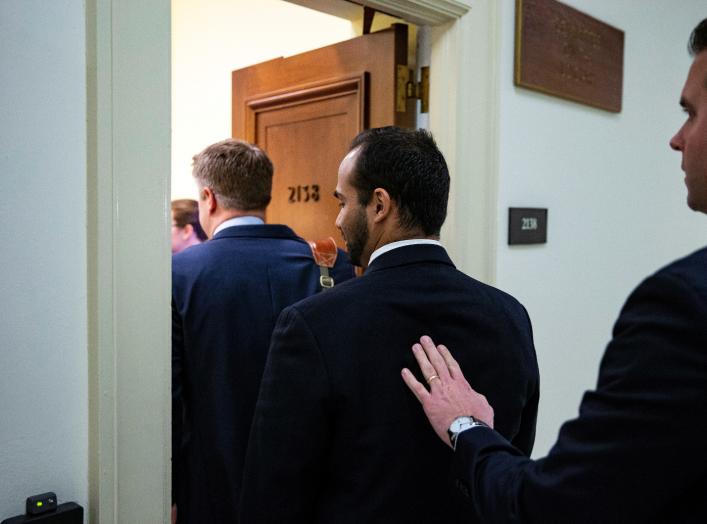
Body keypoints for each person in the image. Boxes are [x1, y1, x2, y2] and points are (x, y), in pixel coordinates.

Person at [401, 19, 707, 524]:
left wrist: (466, 426)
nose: (676, 140)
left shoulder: (682, 305)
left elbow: (554, 507)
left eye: (691, 114)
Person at [239, 127, 540, 523]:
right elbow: (510, 459)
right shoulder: (510, 315)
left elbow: (272, 497)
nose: (338, 218)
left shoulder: (311, 324)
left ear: (379, 204)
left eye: (343, 201)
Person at [171, 138, 355, 524]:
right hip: (312, 483)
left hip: (212, 486)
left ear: (209, 198)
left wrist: (168, 490)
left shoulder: (180, 274)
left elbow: (171, 396)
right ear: (264, 194)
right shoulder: (327, 265)